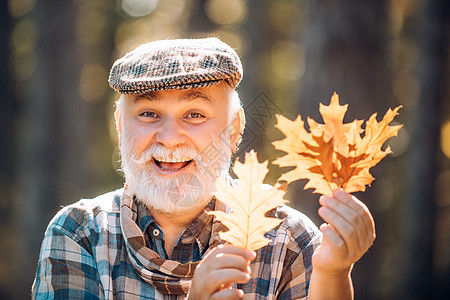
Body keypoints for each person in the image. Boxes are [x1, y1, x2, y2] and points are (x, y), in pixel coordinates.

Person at [32, 37, 375, 299]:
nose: (168, 138)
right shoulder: (79, 233)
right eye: (148, 114)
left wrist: (333, 273)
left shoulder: (290, 242)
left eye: (194, 115)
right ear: (121, 126)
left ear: (235, 128)